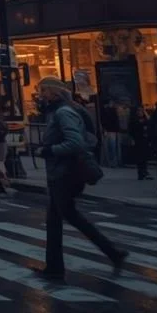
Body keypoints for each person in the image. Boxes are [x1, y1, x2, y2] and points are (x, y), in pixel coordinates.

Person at [35, 77, 127, 282]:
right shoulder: (61, 111)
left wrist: (49, 150)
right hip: (62, 172)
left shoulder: (63, 112)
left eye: (43, 91)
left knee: (65, 218)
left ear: (54, 92)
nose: (41, 96)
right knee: (57, 220)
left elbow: (75, 143)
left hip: (65, 173)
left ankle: (57, 267)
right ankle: (56, 266)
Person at [129, 105, 151, 181]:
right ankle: (141, 173)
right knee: (139, 157)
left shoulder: (145, 119)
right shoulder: (133, 120)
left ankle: (145, 172)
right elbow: (131, 130)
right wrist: (132, 139)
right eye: (139, 111)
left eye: (141, 111)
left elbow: (149, 124)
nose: (140, 112)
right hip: (138, 140)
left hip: (145, 140)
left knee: (145, 157)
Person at [100, 101, 123, 168]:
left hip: (110, 130)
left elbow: (104, 120)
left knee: (111, 147)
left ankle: (111, 162)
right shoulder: (113, 111)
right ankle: (114, 162)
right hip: (113, 130)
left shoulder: (106, 111)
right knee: (113, 147)